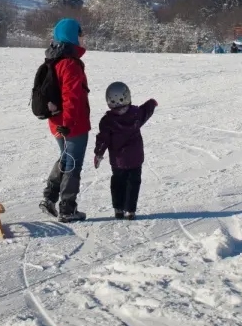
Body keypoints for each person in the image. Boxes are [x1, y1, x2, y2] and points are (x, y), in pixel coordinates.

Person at [40, 18, 91, 223]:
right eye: (79, 34)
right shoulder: (70, 63)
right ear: (72, 36)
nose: (82, 38)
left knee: (65, 158)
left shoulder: (53, 58)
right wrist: (68, 124)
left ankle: (49, 197)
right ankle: (67, 208)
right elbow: (71, 96)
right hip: (72, 124)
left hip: (57, 122)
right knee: (72, 163)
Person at [93, 82, 157, 220]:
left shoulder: (107, 121)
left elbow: (103, 139)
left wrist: (99, 153)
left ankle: (118, 208)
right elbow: (146, 111)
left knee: (118, 183)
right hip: (135, 159)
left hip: (118, 161)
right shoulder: (136, 114)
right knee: (133, 184)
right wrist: (152, 103)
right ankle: (130, 210)